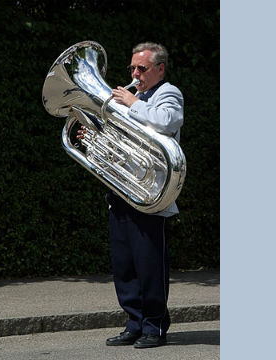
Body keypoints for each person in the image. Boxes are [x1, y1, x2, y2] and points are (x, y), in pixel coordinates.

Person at [79, 42, 183, 349]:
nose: (135, 74)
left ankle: (154, 327)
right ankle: (134, 324)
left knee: (150, 266)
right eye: (132, 69)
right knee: (124, 266)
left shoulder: (168, 93)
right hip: (122, 191)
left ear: (160, 69)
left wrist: (132, 102)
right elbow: (118, 139)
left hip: (150, 195)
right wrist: (93, 136)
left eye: (142, 69)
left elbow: (167, 122)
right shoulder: (129, 99)